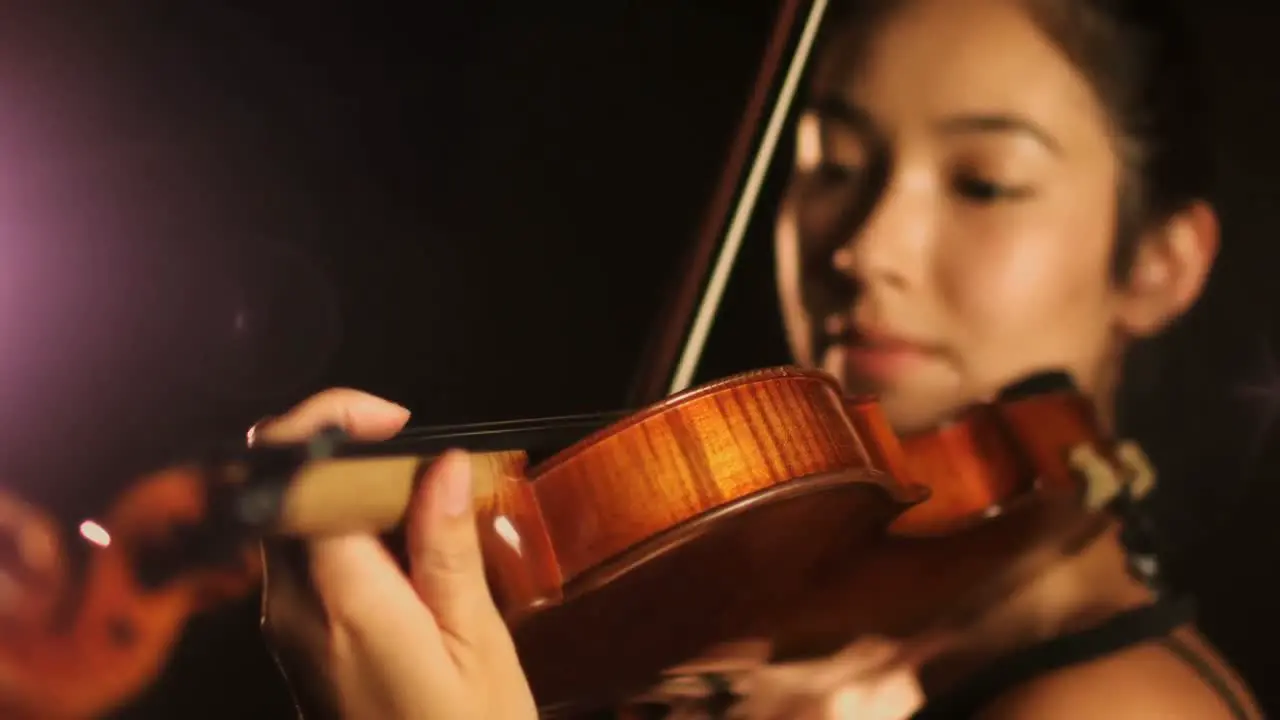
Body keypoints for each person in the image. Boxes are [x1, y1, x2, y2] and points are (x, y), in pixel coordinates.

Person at [254, 0, 1264, 717]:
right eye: (827, 164)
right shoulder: (822, 658)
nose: (863, 248)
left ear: (1159, 264)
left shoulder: (1113, 706)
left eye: (983, 183)